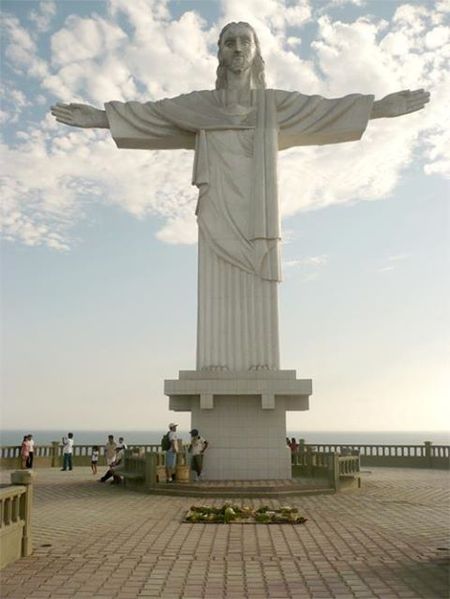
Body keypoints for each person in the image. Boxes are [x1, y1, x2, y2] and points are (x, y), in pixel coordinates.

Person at [51, 21, 430, 373]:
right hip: (217, 206)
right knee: (218, 277)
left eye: (243, 41)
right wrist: (100, 118)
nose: (236, 49)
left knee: (256, 274)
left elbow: (326, 110)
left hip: (257, 211)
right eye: (228, 42)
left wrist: (379, 109)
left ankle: (258, 363)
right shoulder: (200, 106)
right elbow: (154, 116)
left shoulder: (273, 105)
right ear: (219, 54)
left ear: (256, 51)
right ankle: (216, 361)